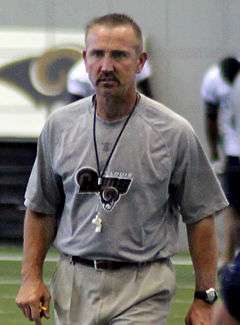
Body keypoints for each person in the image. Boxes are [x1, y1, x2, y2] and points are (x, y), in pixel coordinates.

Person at [16, 13, 228, 325]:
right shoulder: (59, 126)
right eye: (98, 54)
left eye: (119, 55)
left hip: (143, 285)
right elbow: (40, 209)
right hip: (74, 282)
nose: (106, 66)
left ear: (141, 62)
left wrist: (204, 297)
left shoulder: (173, 132)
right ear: (84, 59)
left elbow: (201, 217)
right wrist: (30, 277)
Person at [201, 57, 240, 267]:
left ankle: (228, 259)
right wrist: (215, 152)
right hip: (233, 153)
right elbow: (211, 117)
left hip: (234, 153)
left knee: (233, 210)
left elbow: (211, 118)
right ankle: (228, 258)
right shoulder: (214, 78)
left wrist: (215, 152)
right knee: (233, 209)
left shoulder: (217, 78)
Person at [67, 55, 153, 102]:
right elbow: (74, 114)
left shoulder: (137, 64)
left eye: (118, 53)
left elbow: (148, 97)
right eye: (99, 53)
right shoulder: (79, 76)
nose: (107, 68)